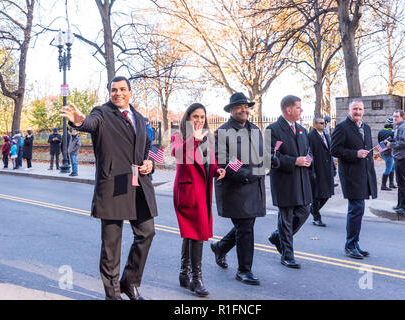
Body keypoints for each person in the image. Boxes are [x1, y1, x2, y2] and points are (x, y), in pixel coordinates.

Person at [61, 76, 158, 300]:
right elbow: (90, 123)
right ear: (109, 93)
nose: (118, 93)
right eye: (114, 90)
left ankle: (130, 283)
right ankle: (112, 294)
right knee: (111, 246)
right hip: (113, 186)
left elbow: (149, 147)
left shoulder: (141, 118)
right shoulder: (102, 113)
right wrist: (78, 121)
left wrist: (150, 163)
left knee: (147, 232)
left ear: (130, 92)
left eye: (122, 89)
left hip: (138, 186)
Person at [171, 103, 225, 297]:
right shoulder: (179, 135)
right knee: (198, 233)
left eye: (202, 117)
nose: (199, 120)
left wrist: (217, 170)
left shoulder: (206, 138)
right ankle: (196, 279)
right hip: (187, 191)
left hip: (202, 191)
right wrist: (193, 138)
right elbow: (176, 154)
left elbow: (209, 163)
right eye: (195, 116)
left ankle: (184, 273)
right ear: (188, 118)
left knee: (192, 233)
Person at [212, 92, 266, 285]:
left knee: (245, 226)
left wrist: (271, 162)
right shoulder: (222, 132)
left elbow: (262, 153)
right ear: (231, 110)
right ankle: (244, 270)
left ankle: (220, 247)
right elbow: (225, 162)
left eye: (246, 106)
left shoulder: (255, 129)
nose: (244, 109)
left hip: (255, 187)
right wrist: (247, 174)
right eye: (239, 107)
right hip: (235, 188)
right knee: (245, 228)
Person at [267, 95, 312, 269]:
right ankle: (287, 255)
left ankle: (278, 237)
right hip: (284, 181)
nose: (302, 111)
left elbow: (308, 151)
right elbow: (271, 156)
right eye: (299, 108)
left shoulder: (302, 129)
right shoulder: (273, 129)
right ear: (288, 110)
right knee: (286, 218)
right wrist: (294, 161)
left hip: (301, 179)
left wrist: (309, 159)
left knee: (305, 211)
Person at [330, 99, 377, 260]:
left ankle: (355, 244)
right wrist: (355, 153)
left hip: (364, 174)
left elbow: (367, 150)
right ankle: (350, 245)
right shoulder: (342, 127)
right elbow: (334, 150)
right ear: (349, 110)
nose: (358, 112)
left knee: (359, 210)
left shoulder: (366, 127)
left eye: (360, 109)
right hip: (350, 175)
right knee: (356, 209)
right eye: (355, 109)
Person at [308, 116, 335, 227]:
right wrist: (311, 170)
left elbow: (330, 152)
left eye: (324, 123)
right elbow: (309, 153)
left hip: (327, 169)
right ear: (315, 124)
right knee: (317, 195)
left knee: (327, 194)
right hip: (317, 169)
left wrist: (333, 167)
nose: (324, 125)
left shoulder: (327, 135)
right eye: (321, 123)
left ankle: (313, 210)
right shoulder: (310, 136)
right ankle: (316, 217)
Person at [386, 110, 405, 215]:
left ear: (403, 117)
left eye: (397, 116)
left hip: (403, 158)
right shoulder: (399, 126)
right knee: (400, 182)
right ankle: (400, 205)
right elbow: (399, 141)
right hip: (398, 157)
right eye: (393, 116)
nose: (394, 118)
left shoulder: (404, 127)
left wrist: (391, 145)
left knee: (403, 183)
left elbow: (404, 143)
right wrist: (391, 142)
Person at [378, 117, 396, 191]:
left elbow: (379, 142)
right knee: (388, 169)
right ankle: (383, 185)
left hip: (382, 151)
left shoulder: (380, 131)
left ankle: (391, 184)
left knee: (392, 167)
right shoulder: (393, 132)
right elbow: (394, 143)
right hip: (389, 152)